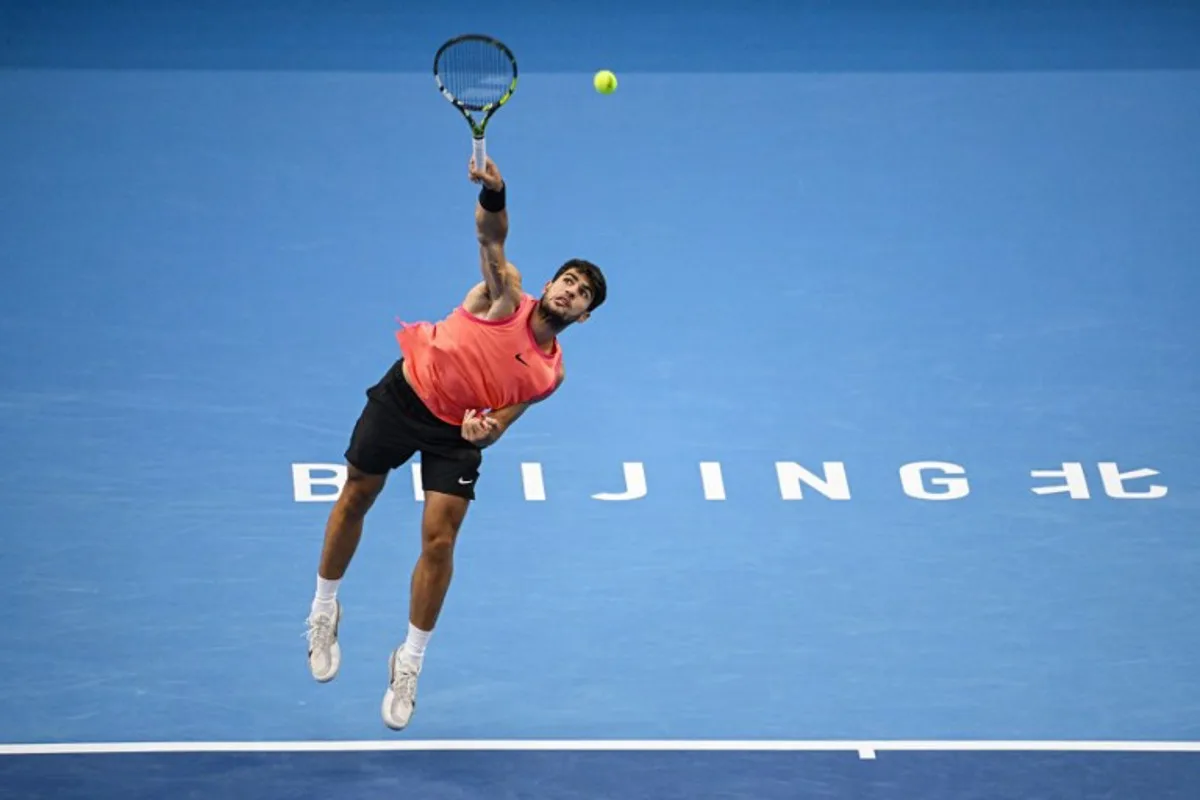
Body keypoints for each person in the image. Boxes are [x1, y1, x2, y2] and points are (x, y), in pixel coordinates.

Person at [304, 154, 607, 731]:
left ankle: (409, 661)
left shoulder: (550, 375)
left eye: (584, 292)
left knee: (440, 542)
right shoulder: (504, 296)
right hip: (407, 397)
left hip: (453, 432)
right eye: (568, 280)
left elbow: (499, 423)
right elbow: (491, 240)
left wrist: (482, 430)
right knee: (355, 496)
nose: (572, 291)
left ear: (586, 316)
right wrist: (495, 194)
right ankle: (323, 608)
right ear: (548, 284)